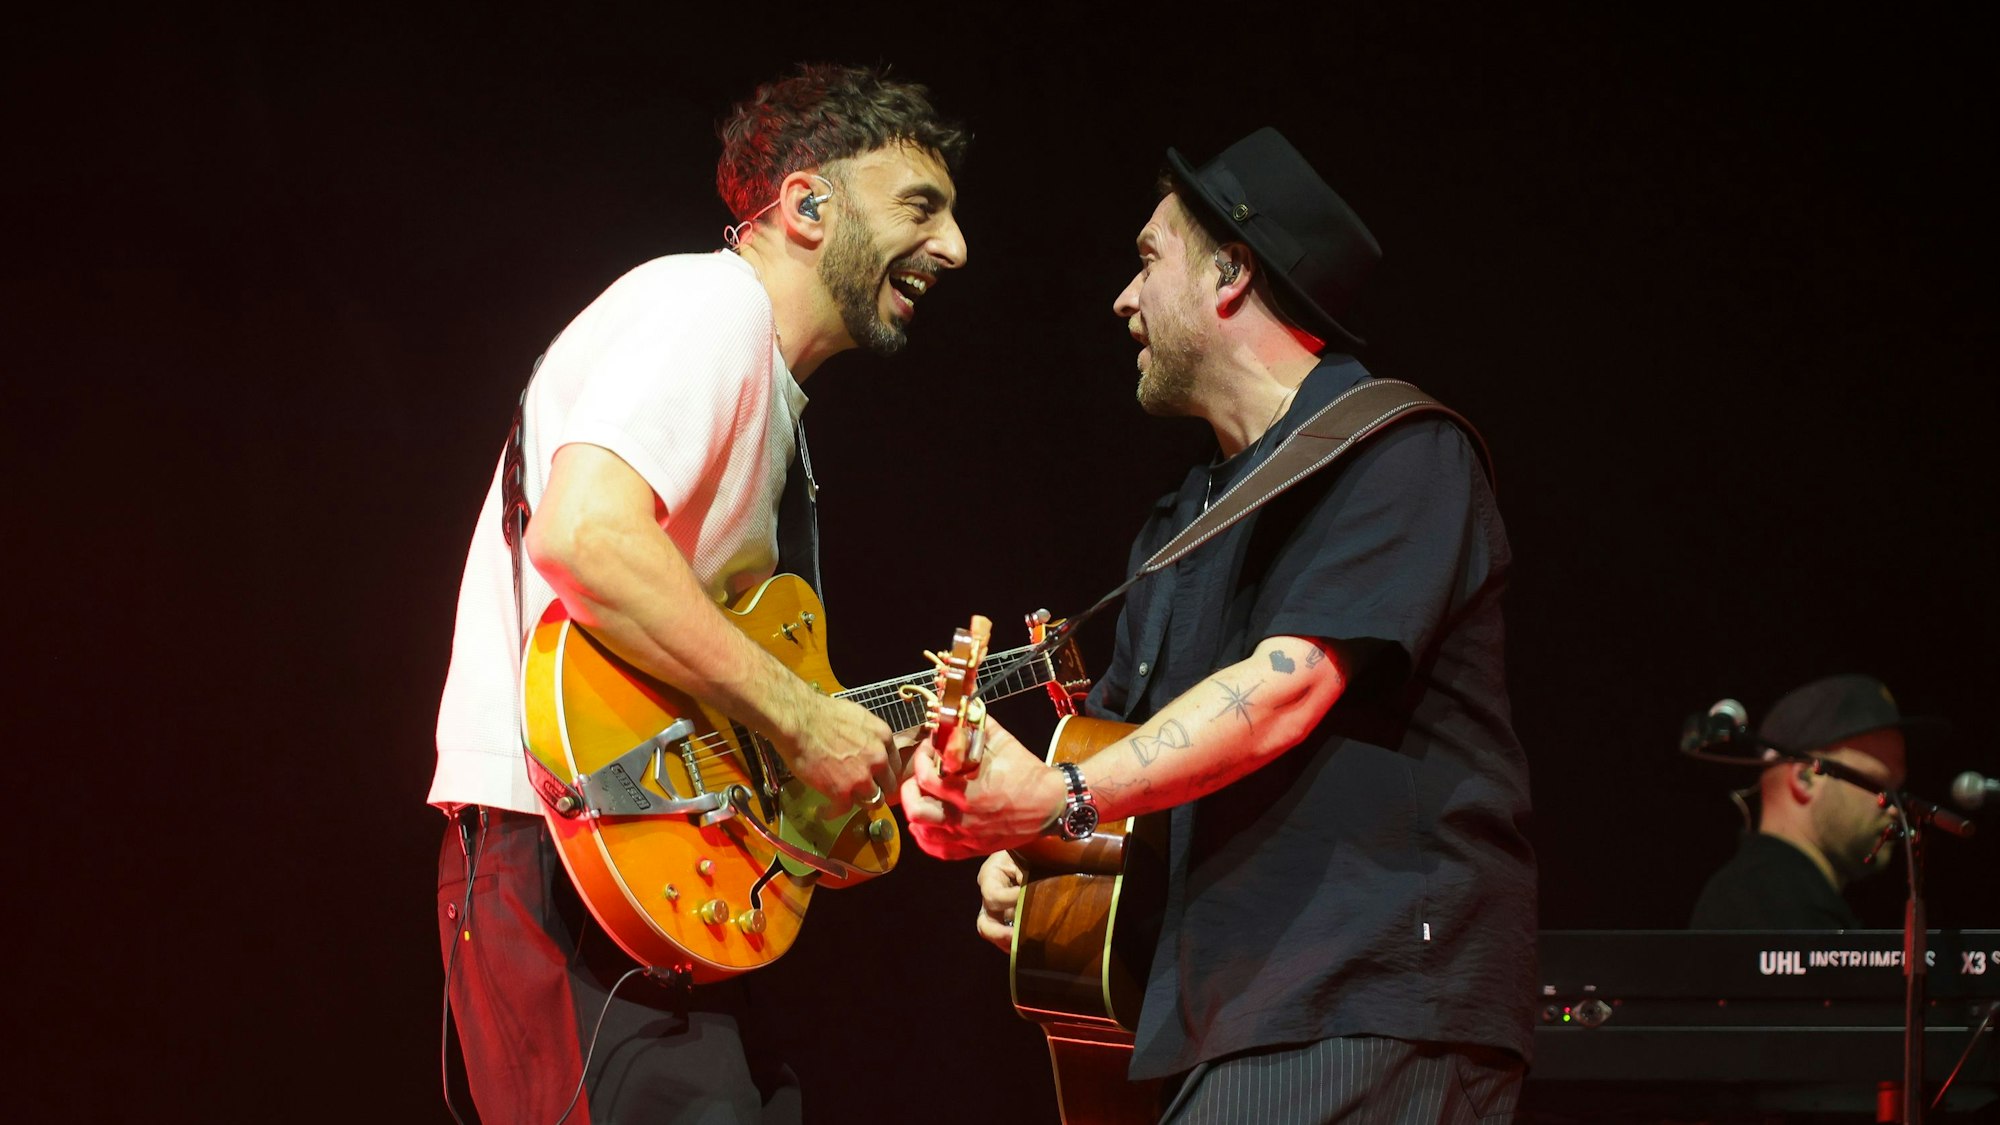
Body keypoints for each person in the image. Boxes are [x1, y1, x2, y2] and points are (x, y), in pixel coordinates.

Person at [900, 128, 1535, 1123]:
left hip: (1363, 1004)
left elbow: (1287, 685)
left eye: (1147, 260)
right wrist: (1025, 849)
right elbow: (1114, 753)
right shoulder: (1179, 526)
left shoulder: (1397, 453)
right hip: (1235, 1019)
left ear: (1230, 274)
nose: (1121, 299)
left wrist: (1051, 796)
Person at [428, 63, 968, 1124]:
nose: (954, 247)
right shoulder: (710, 306)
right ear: (806, 204)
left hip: (636, 863)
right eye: (921, 207)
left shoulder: (760, 378)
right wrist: (801, 715)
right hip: (570, 852)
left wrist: (819, 762)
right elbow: (584, 535)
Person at [1689, 673, 1928, 930]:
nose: (1896, 808)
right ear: (1805, 778)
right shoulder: (1767, 905)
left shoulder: (1776, 895)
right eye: (1877, 785)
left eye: (1897, 789)